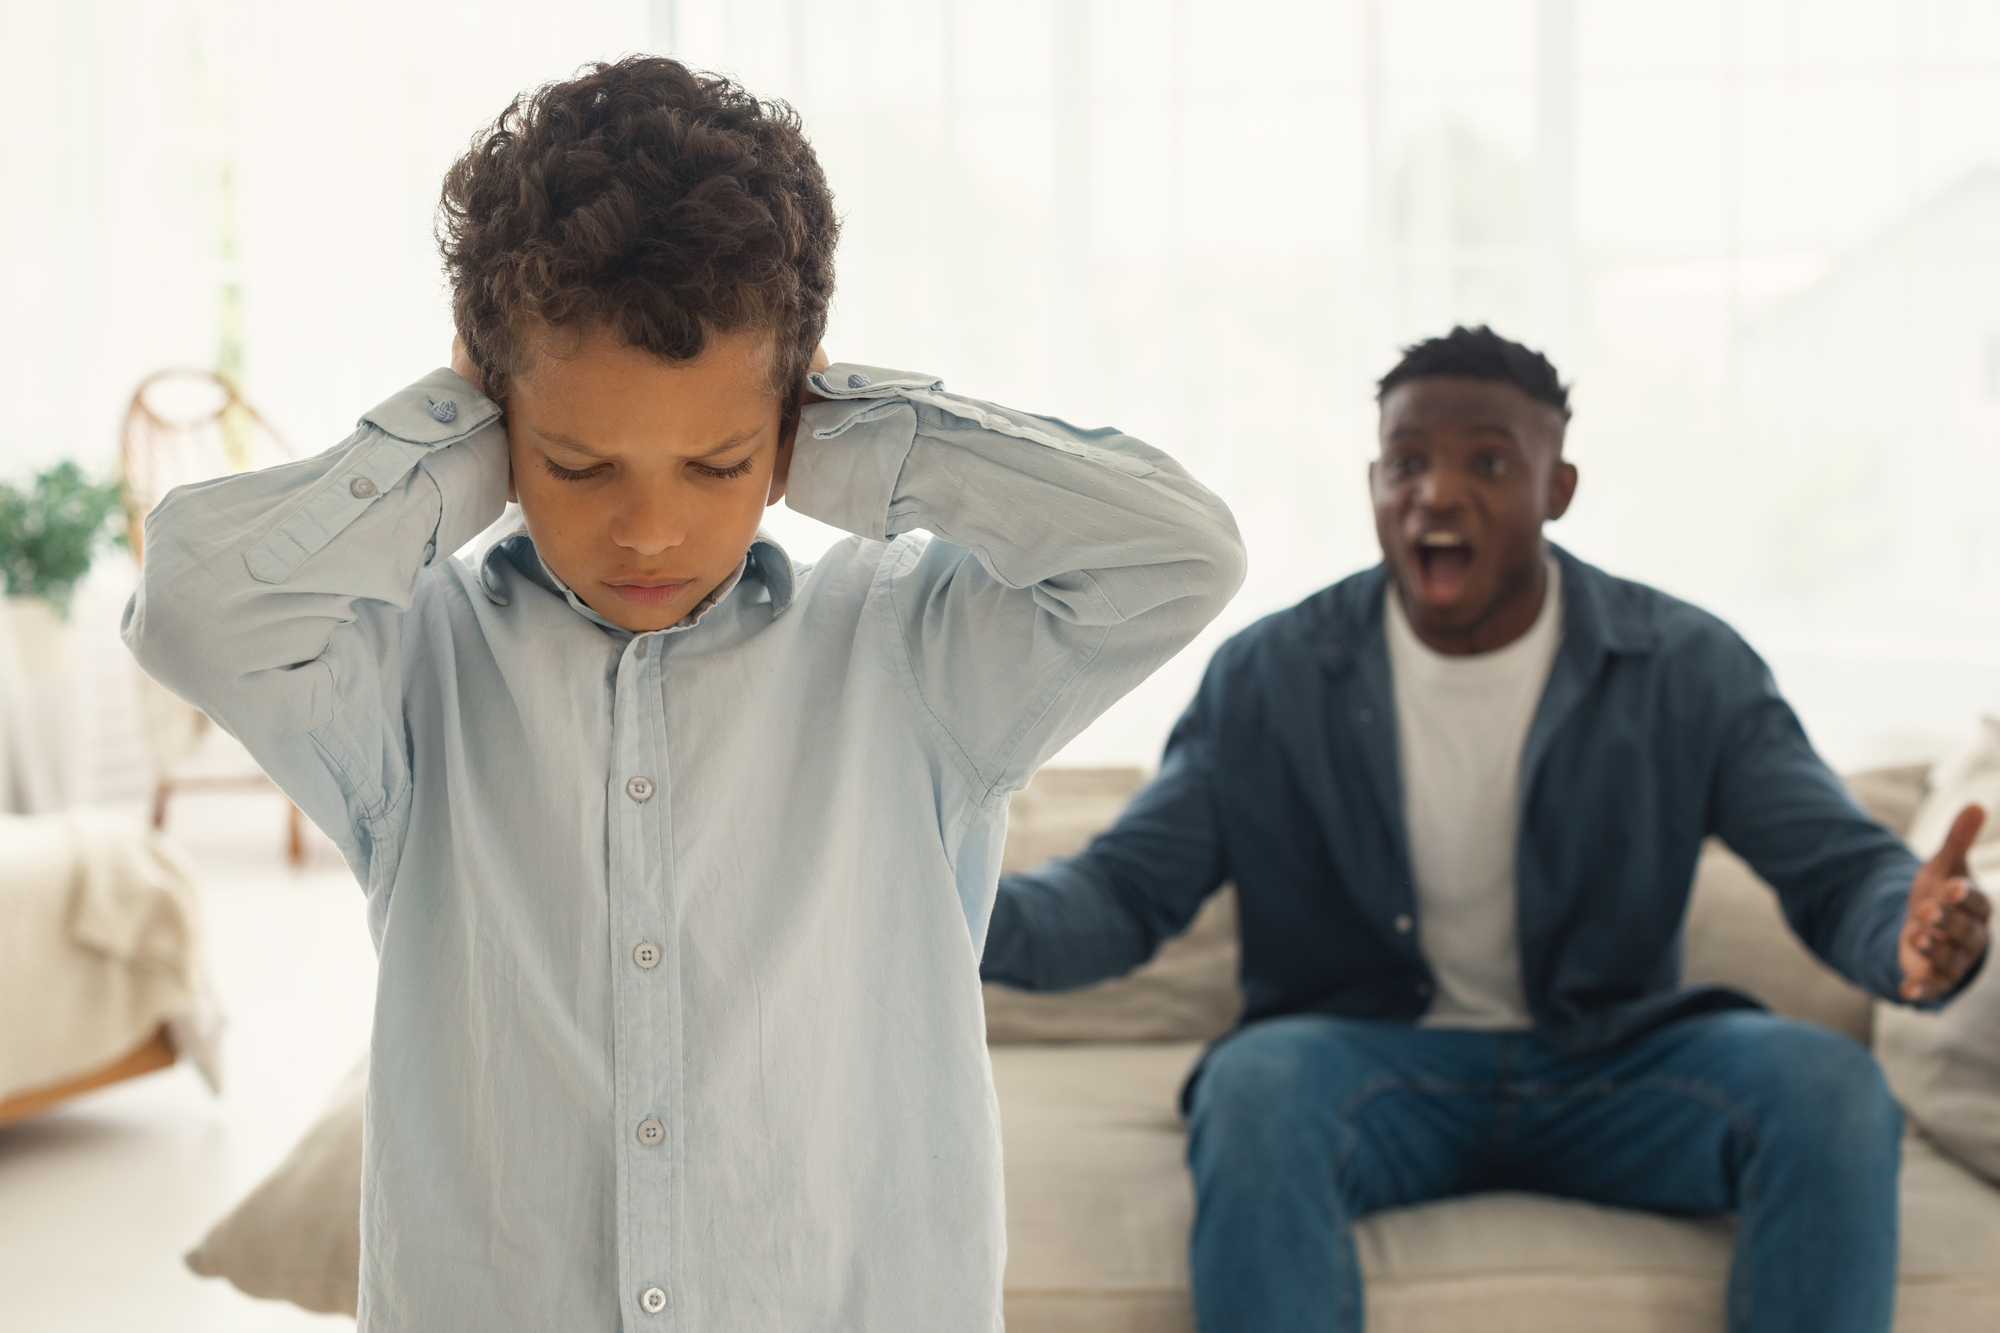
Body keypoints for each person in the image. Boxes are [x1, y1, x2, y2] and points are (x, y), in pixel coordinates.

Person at [123, 57, 1244, 1332]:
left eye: (714, 461)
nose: (647, 529)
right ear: (490, 415)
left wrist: (845, 429)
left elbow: (1177, 555)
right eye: (577, 462)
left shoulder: (909, 656)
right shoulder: (406, 668)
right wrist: (448, 447)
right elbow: (192, 609)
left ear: (790, 413)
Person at [981, 324, 1992, 1333]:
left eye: (1488, 462)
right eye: (1406, 463)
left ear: (1556, 488)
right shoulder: (1270, 675)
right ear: (1374, 482)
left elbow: (1835, 866)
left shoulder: (1683, 664)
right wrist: (948, 897)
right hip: (1364, 1067)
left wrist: (1899, 928)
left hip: (1613, 1066)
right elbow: (1120, 893)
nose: (1435, 492)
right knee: (1255, 1085)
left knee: (1830, 1084)